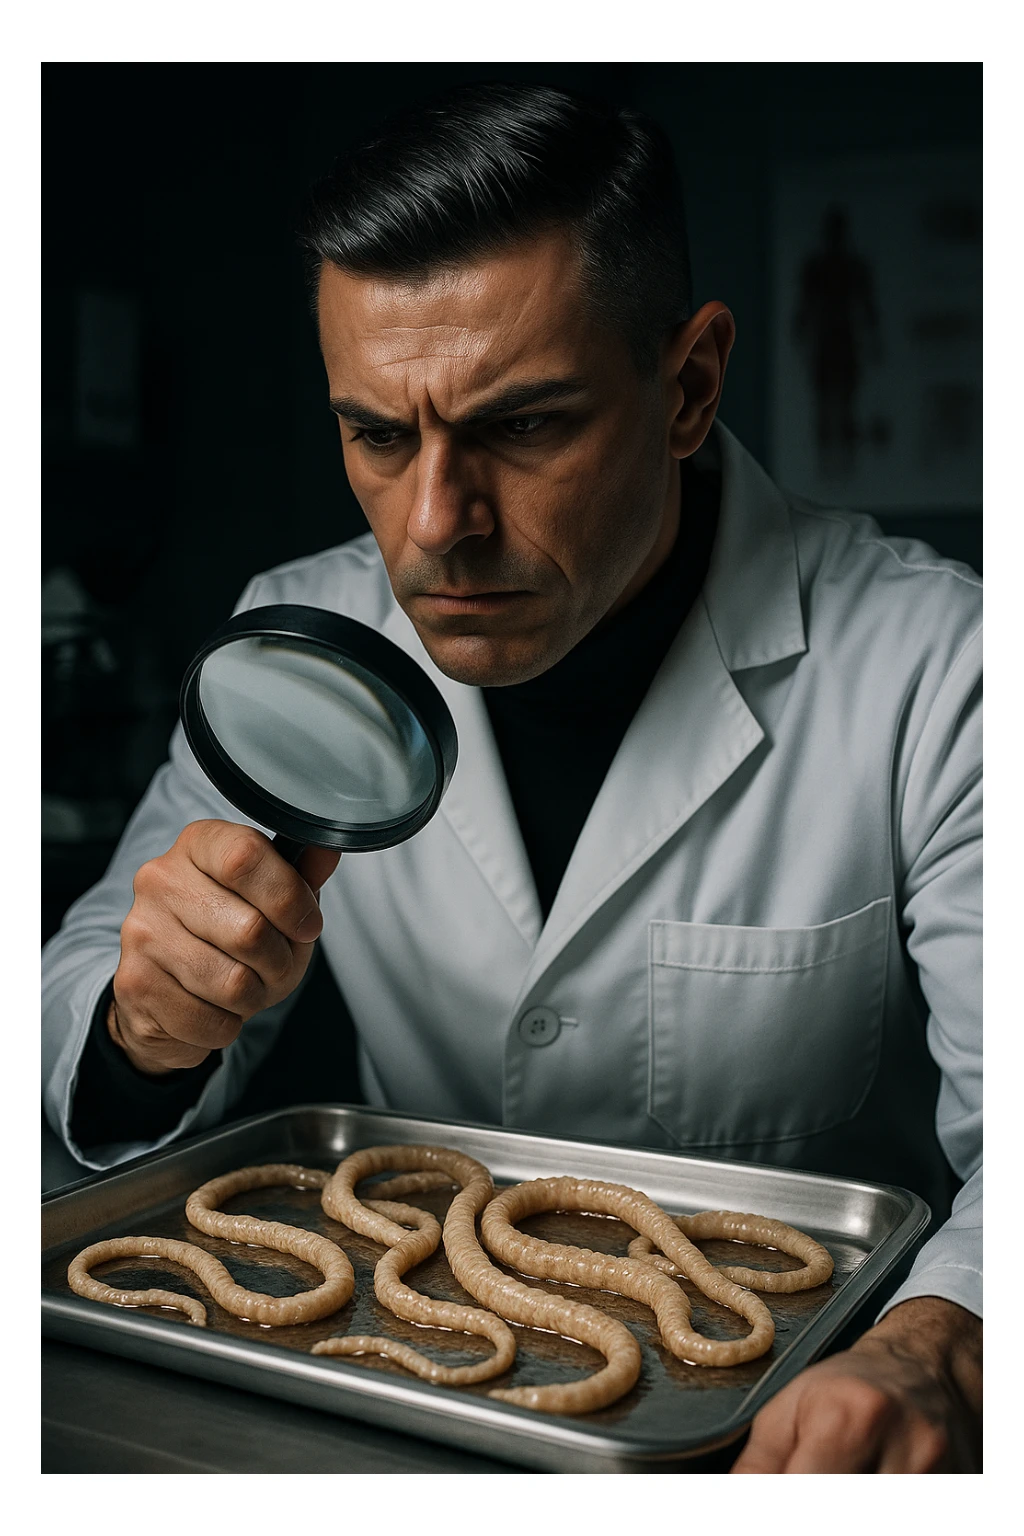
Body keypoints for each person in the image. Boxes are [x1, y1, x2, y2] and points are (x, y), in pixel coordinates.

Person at [41, 82, 981, 1473]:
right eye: (376, 434)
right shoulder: (299, 645)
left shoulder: (942, 666)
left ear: (689, 387)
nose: (434, 527)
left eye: (524, 427)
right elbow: (72, 1018)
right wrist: (139, 1030)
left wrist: (943, 1334)